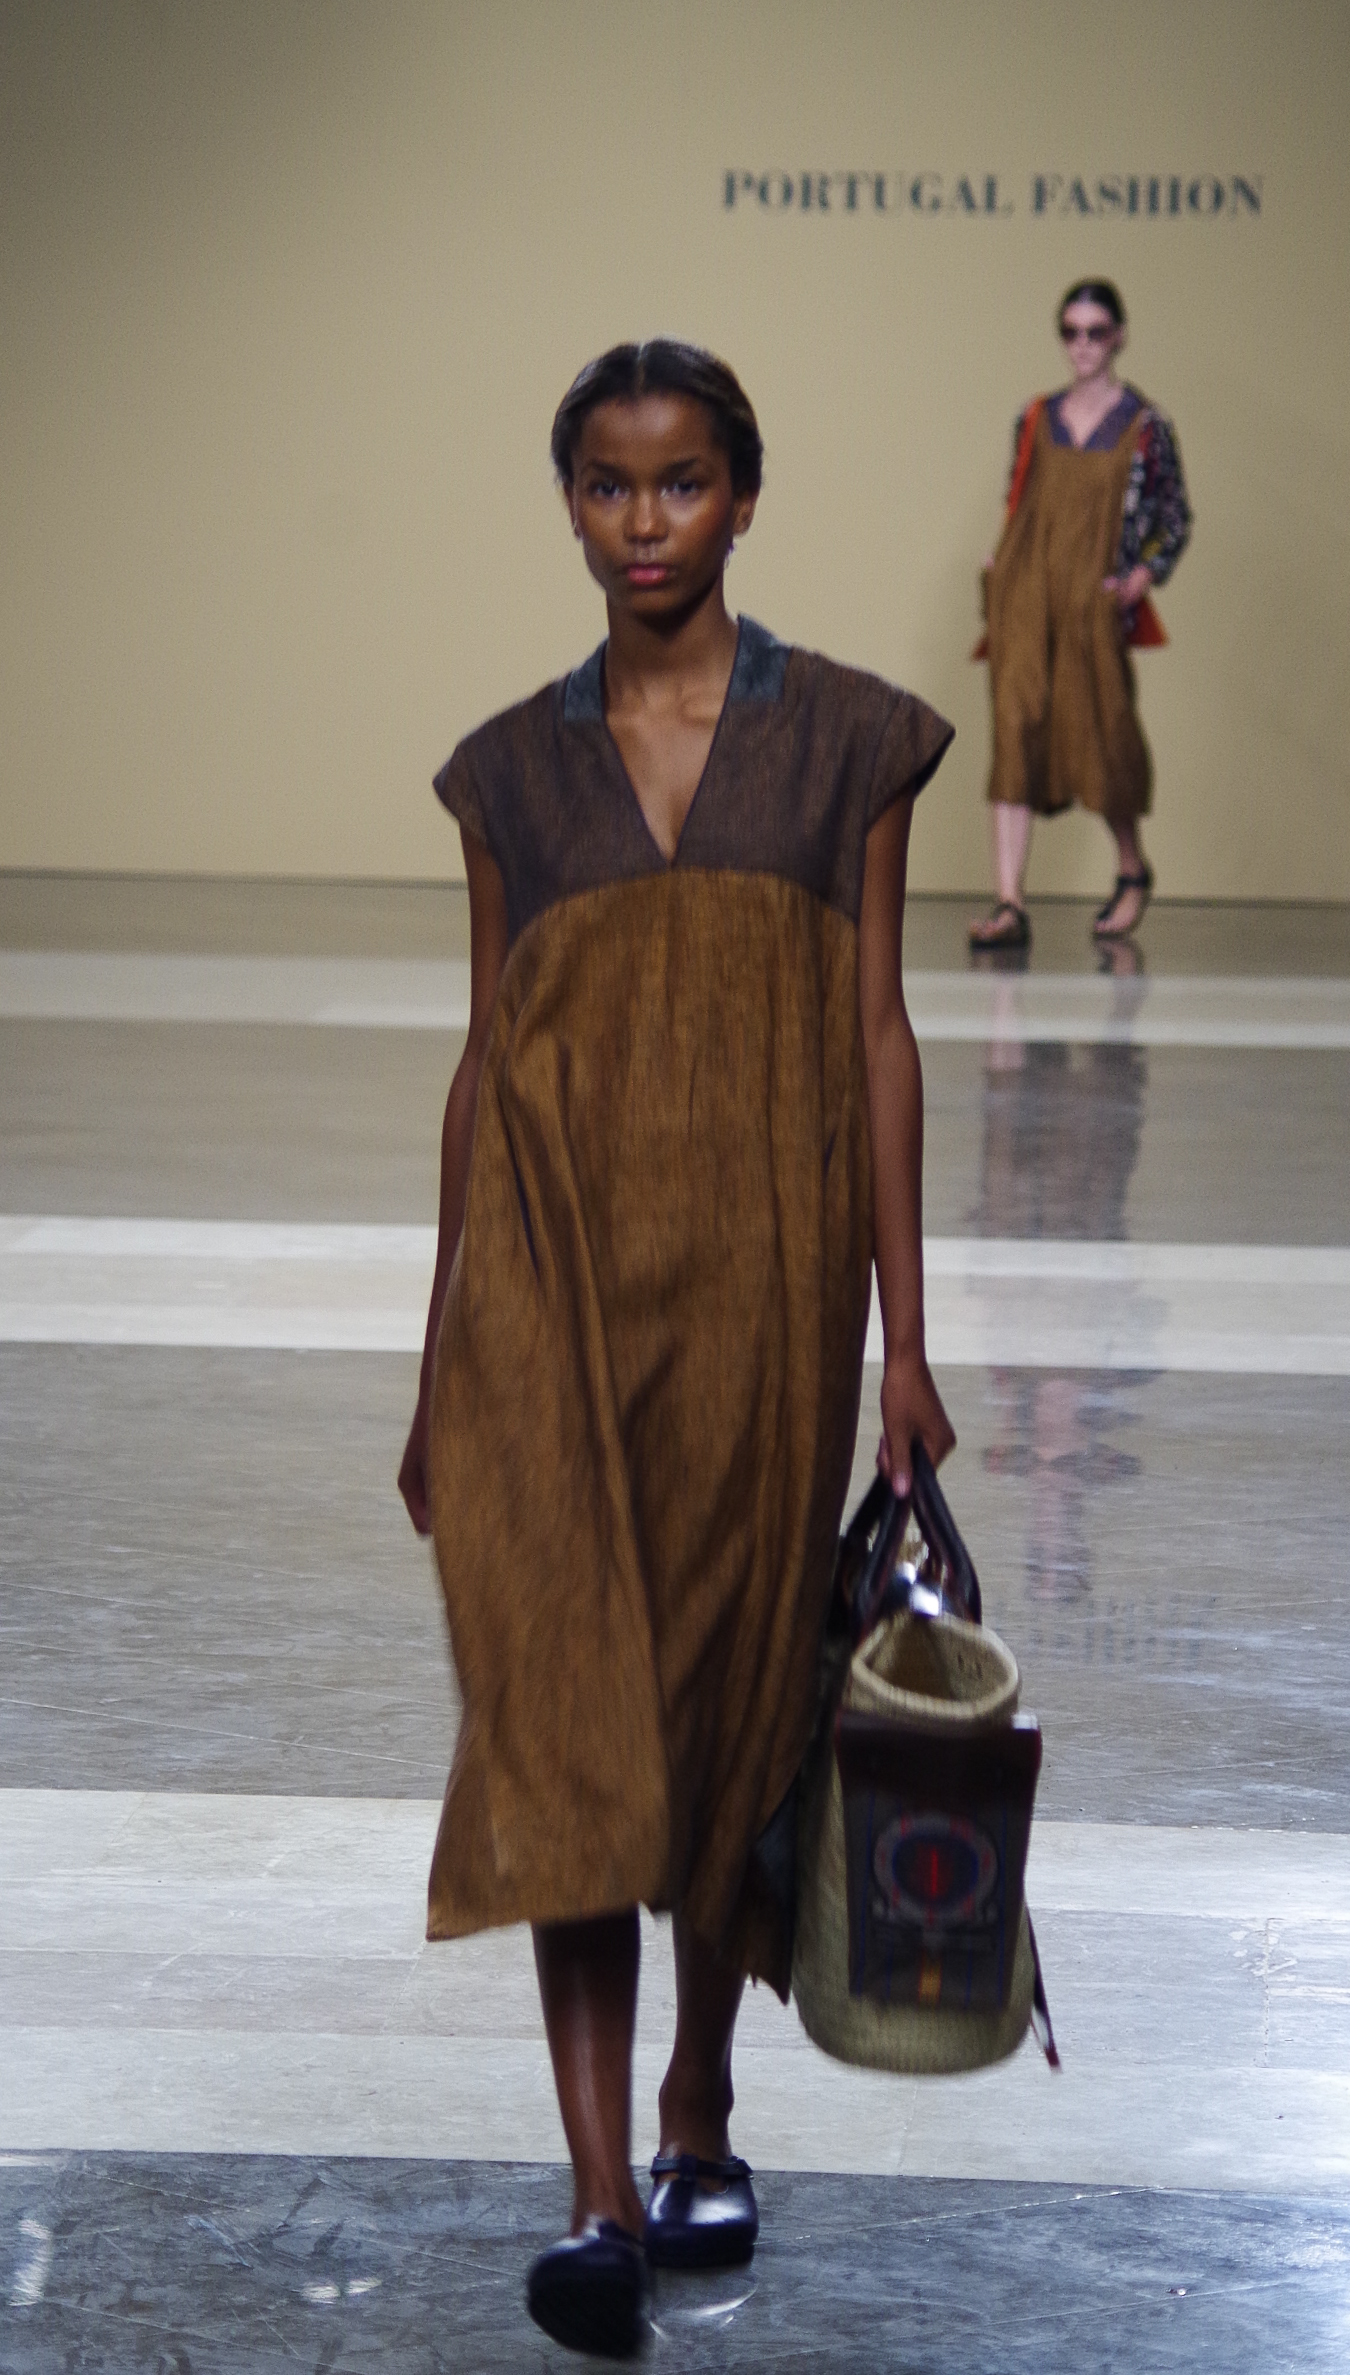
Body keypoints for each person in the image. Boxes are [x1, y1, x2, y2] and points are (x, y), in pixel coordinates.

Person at [398, 339, 956, 2358]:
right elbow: (487, 1059)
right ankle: (598, 2194)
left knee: (725, 1709)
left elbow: (881, 1033)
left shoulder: (854, 740)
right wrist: (437, 1346)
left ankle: (700, 2105)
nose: (647, 521)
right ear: (569, 502)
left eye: (685, 480)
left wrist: (907, 1337)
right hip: (547, 1300)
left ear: (744, 495)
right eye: (611, 484)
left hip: (764, 1297)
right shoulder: (505, 773)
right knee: (563, 1720)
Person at [970, 279, 1192, 952]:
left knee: (1103, 733)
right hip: (1027, 597)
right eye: (1071, 331)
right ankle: (1009, 902)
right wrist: (1001, 561)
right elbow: (1020, 500)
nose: (1083, 345)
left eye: (1096, 332)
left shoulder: (1147, 427)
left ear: (1118, 336)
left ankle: (1132, 867)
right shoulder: (1035, 416)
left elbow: (1175, 517)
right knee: (1014, 730)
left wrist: (1140, 578)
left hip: (1093, 602)